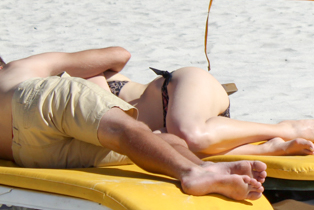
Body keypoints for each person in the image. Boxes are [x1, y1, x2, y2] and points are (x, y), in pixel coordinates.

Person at [0, 47, 266, 201]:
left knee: (159, 142)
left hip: (30, 154)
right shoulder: (18, 68)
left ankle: (205, 168)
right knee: (126, 130)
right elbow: (119, 55)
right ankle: (193, 173)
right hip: (32, 102)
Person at [95, 66, 314, 157]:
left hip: (177, 88)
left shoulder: (75, 78)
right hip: (180, 127)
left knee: (190, 135)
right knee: (181, 144)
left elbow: (101, 101)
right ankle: (265, 149)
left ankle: (284, 128)